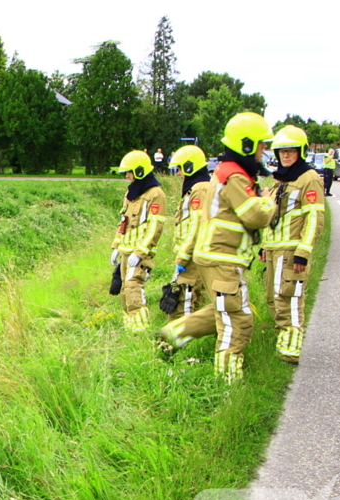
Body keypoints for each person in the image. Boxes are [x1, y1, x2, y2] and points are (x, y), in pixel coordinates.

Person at [159, 112, 275, 381]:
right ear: (246, 144)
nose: (264, 151)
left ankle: (171, 336)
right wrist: (268, 201)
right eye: (261, 144)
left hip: (213, 257)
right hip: (224, 258)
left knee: (222, 311)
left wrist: (186, 255)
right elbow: (255, 216)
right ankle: (226, 382)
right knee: (238, 321)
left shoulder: (221, 174)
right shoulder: (235, 177)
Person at [260, 125, 325, 364]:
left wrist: (303, 252)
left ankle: (292, 350)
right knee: (273, 299)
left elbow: (315, 218)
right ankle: (283, 342)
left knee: (290, 298)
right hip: (274, 251)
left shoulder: (309, 178)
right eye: (282, 151)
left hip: (292, 252)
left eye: (291, 151)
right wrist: (265, 246)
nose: (286, 155)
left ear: (301, 152)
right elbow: (276, 217)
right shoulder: (281, 180)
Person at [110, 150, 167, 332]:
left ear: (140, 171)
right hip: (126, 251)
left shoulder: (156, 194)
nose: (127, 176)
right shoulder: (130, 193)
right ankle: (130, 327)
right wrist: (116, 246)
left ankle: (141, 330)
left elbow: (155, 227)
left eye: (130, 172)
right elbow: (124, 222)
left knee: (134, 287)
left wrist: (140, 251)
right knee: (125, 290)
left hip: (139, 253)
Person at [164, 145, 211, 321]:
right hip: (191, 254)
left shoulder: (200, 189)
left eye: (180, 168)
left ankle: (180, 341)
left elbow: (197, 226)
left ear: (190, 167)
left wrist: (183, 257)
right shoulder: (195, 187)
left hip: (193, 256)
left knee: (185, 301)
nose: (178, 173)